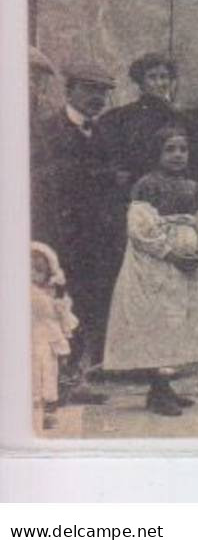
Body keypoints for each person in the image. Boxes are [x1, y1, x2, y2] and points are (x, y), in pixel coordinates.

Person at [101, 126, 198, 418]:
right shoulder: (146, 185)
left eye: (183, 149)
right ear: (157, 153)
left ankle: (163, 388)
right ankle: (158, 388)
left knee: (178, 322)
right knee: (157, 322)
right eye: (170, 149)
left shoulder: (194, 188)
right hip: (154, 266)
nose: (178, 155)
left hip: (187, 268)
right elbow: (140, 228)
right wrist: (170, 252)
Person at [31, 62, 117, 396]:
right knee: (57, 307)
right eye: (90, 90)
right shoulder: (48, 131)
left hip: (96, 237)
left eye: (103, 92)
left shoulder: (104, 132)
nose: (98, 98)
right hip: (61, 234)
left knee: (88, 306)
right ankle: (57, 380)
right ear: (69, 91)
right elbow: (43, 184)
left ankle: (78, 376)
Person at [95, 53, 183, 190]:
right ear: (141, 83)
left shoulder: (179, 117)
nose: (160, 83)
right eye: (152, 77)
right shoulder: (120, 117)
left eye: (164, 77)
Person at [30, 243, 78, 431]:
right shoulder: (28, 293)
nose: (34, 274)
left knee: (49, 374)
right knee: (33, 375)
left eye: (40, 269)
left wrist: (60, 304)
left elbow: (60, 322)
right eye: (31, 269)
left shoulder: (54, 298)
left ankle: (48, 413)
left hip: (47, 341)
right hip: (29, 340)